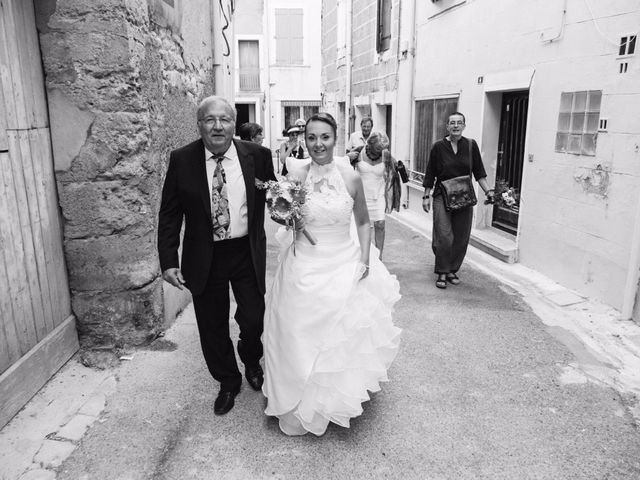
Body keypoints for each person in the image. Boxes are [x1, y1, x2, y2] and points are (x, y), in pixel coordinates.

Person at [262, 112, 401, 436]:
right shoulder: (296, 176)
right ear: (305, 140)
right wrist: (286, 218)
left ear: (334, 138)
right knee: (296, 332)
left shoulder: (350, 177)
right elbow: (284, 216)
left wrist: (364, 260)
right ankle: (296, 397)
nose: (318, 143)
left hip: (342, 261)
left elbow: (364, 222)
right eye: (312, 137)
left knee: (339, 338)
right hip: (304, 264)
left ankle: (328, 403)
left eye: (324, 137)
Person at [158, 95, 276, 416]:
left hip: (245, 251)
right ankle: (228, 381)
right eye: (209, 120)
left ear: (234, 124)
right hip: (204, 253)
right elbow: (170, 213)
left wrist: (288, 211)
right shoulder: (182, 160)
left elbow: (273, 196)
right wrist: (168, 259)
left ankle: (251, 358)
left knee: (254, 318)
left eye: (224, 119)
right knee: (211, 325)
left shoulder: (259, 156)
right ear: (199, 126)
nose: (218, 126)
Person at [421, 112, 494, 289]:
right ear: (446, 126)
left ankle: (452, 269)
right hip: (442, 195)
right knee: (444, 236)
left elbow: (479, 172)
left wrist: (489, 191)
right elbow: (431, 172)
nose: (455, 126)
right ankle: (442, 271)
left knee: (461, 236)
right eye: (452, 123)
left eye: (459, 123)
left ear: (464, 126)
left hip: (464, 196)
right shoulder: (438, 147)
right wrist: (426, 195)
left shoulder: (470, 145)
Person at [353, 131, 401, 259]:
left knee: (380, 224)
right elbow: (345, 168)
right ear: (370, 145)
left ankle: (379, 257)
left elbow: (395, 170)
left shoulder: (385, 155)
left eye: (383, 149)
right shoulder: (358, 152)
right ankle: (366, 255)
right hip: (361, 196)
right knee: (365, 227)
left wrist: (400, 168)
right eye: (378, 149)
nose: (381, 152)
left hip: (378, 194)